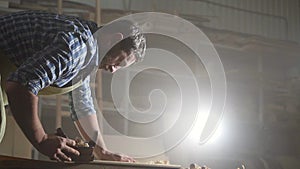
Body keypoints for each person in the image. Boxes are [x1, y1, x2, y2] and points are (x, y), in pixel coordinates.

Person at [0, 10, 146, 162]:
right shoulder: (77, 48)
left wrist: (102, 152)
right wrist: (42, 140)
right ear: (113, 40)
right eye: (118, 62)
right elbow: (20, 85)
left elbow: (82, 105)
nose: (113, 70)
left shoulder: (89, 50)